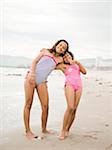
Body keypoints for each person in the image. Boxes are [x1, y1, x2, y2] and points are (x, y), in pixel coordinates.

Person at [23, 39, 69, 139]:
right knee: (28, 104)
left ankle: (44, 129)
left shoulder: (60, 59)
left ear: (64, 51)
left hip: (42, 82)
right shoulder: (45, 51)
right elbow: (34, 62)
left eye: (64, 48)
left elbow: (60, 66)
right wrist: (32, 73)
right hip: (31, 78)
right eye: (60, 45)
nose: (61, 47)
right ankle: (27, 131)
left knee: (45, 106)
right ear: (56, 45)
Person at [57, 51, 87, 140]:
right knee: (70, 107)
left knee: (74, 109)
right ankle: (62, 130)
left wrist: (77, 62)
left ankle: (67, 129)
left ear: (71, 56)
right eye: (65, 57)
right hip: (69, 85)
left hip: (79, 86)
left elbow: (84, 72)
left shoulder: (77, 65)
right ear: (63, 59)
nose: (67, 57)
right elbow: (52, 66)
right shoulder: (63, 66)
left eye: (68, 55)